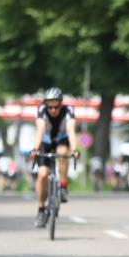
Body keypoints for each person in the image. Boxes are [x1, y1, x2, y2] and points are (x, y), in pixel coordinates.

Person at [30, 87, 78, 227]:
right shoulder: (41, 110)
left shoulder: (68, 111)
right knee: (43, 174)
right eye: (49, 107)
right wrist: (35, 149)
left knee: (63, 152)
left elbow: (71, 130)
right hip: (45, 141)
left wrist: (75, 150)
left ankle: (63, 186)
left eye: (56, 107)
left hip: (61, 139)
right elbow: (40, 130)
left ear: (61, 104)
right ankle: (40, 210)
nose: (53, 110)